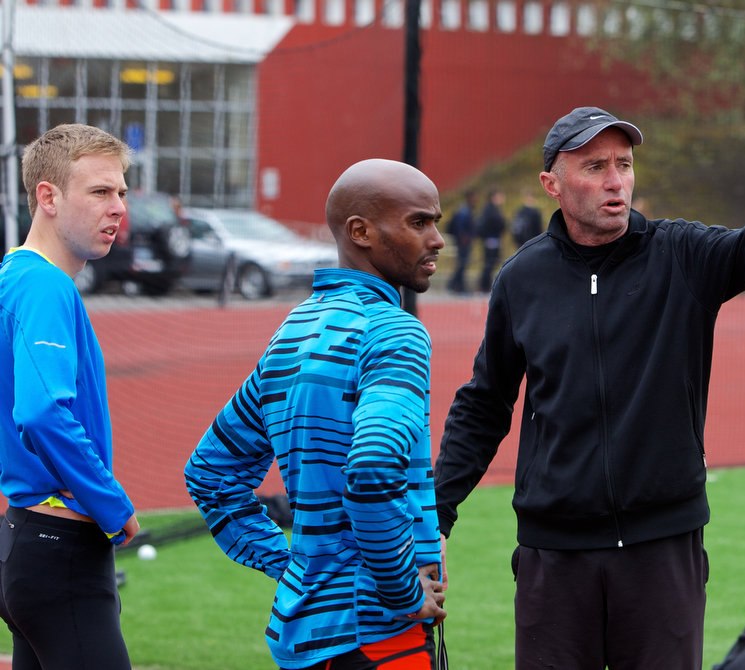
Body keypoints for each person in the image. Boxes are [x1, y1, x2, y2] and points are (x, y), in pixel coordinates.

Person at [433, 106, 745, 669]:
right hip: (555, 554)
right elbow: (485, 404)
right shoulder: (521, 280)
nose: (615, 181)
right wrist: (437, 512)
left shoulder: (682, 256)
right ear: (552, 184)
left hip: (662, 550)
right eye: (594, 167)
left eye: (624, 164)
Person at [184, 158, 447, 670]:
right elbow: (372, 468)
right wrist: (401, 592)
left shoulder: (293, 331)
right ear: (361, 232)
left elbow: (210, 474)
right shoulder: (395, 333)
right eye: (419, 222)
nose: (436, 238)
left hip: (307, 639)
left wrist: (294, 569)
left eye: (435, 221)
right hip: (377, 638)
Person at [0, 123, 140, 669]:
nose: (119, 208)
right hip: (60, 553)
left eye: (122, 192)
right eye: (101, 192)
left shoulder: (12, 276)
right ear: (48, 197)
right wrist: (111, 503)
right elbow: (39, 410)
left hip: (26, 542)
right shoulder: (43, 284)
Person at [446, 188, 477, 294]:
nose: (476, 200)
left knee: (462, 264)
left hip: (463, 242)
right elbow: (461, 227)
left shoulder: (464, 209)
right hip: (463, 243)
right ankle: (457, 286)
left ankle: (454, 285)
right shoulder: (465, 211)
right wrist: (464, 238)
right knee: (462, 264)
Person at [476, 187, 506, 292]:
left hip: (494, 239)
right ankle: (484, 285)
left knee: (492, 262)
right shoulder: (490, 210)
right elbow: (494, 224)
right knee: (489, 262)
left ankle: (486, 285)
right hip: (491, 239)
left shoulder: (493, 209)